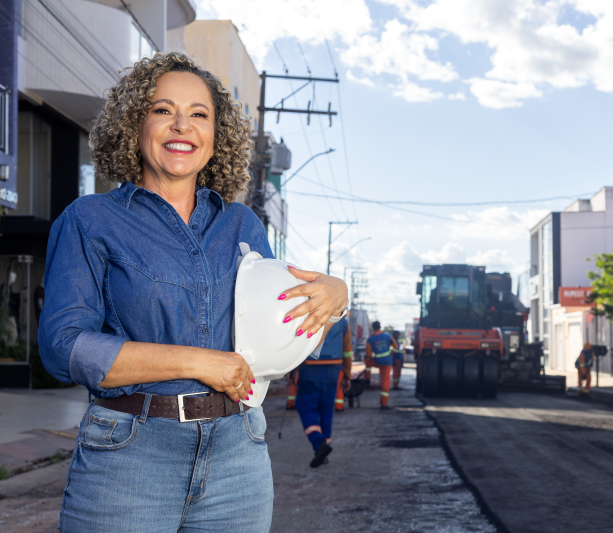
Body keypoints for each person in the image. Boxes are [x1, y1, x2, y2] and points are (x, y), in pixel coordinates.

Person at [38, 52, 348, 532]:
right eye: (163, 110)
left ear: (215, 136)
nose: (181, 125)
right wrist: (197, 362)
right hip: (129, 456)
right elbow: (63, 347)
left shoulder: (242, 224)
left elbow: (280, 322)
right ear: (135, 124)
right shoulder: (90, 220)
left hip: (238, 453)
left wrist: (335, 293)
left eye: (198, 114)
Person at [294, 318, 352, 467]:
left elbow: (295, 344)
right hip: (333, 371)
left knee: (305, 407)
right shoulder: (343, 322)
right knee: (326, 412)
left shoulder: (307, 315)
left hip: (310, 369)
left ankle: (318, 443)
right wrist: (347, 375)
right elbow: (347, 350)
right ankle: (323, 451)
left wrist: (292, 370)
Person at [365, 322, 399, 410]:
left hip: (377, 362)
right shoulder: (388, 336)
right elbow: (396, 347)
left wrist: (369, 359)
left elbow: (368, 354)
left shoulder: (370, 339)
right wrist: (391, 353)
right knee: (385, 382)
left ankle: (367, 380)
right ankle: (384, 403)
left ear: (373, 328)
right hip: (387, 363)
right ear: (380, 327)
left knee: (367, 361)